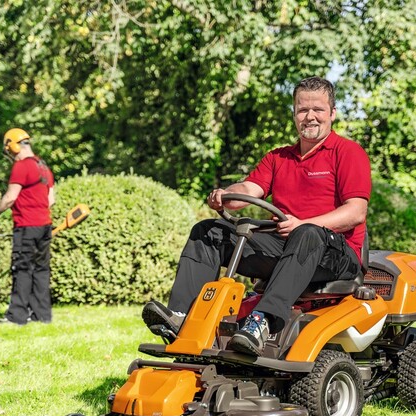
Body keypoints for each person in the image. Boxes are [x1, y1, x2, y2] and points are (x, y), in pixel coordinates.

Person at [142, 76, 371, 356]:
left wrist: (304, 223)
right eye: (302, 110)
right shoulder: (278, 158)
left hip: (337, 255)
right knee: (209, 231)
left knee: (307, 233)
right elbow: (249, 189)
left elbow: (356, 212)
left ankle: (262, 321)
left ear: (332, 113)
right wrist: (226, 194)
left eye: (318, 110)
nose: (309, 117)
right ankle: (182, 318)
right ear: (294, 114)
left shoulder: (347, 152)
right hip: (288, 249)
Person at [0, 128, 55, 325]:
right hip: (44, 226)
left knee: (22, 269)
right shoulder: (43, 167)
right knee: (41, 270)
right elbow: (50, 200)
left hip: (27, 226)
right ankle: (41, 316)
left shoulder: (21, 166)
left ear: (12, 145)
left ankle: (17, 316)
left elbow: (10, 197)